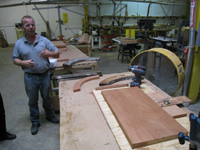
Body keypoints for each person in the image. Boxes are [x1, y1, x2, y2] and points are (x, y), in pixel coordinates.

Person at [12, 15, 60, 135]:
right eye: (27, 25)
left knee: (47, 97)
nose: (31, 27)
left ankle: (49, 115)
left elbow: (57, 53)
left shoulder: (44, 40)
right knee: (32, 100)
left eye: (32, 24)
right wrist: (23, 63)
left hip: (44, 75)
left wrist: (50, 53)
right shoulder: (19, 43)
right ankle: (35, 121)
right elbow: (15, 59)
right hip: (30, 77)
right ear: (23, 27)